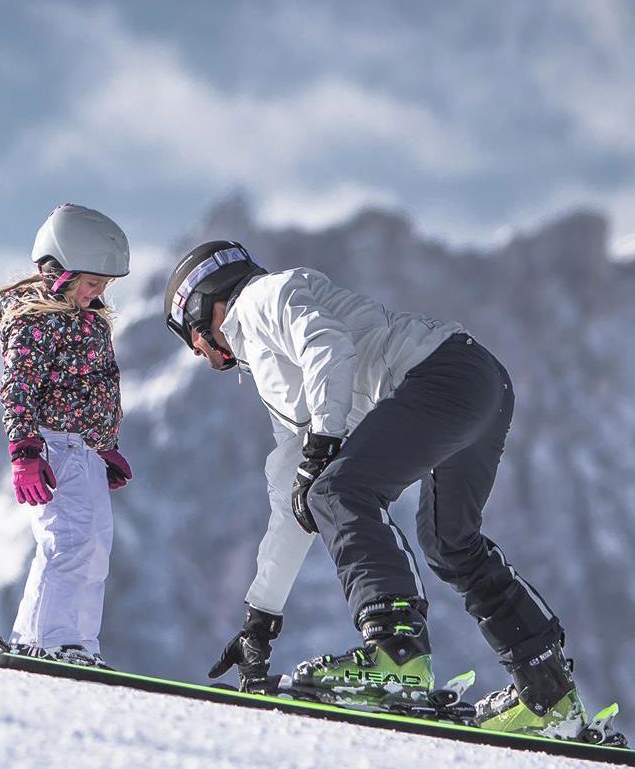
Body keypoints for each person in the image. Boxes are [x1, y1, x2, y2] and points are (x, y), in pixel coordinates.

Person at [169, 239, 585, 738]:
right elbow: (292, 500)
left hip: (442, 375)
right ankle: (548, 693)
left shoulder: (262, 299)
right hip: (477, 381)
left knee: (337, 490)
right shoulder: (275, 372)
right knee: (449, 542)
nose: (197, 352)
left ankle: (397, 659)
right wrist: (261, 618)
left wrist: (322, 449)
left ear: (202, 306)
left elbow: (326, 345)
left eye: (189, 336)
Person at [0, 204, 133, 667]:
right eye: (92, 283)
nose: (97, 293)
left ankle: (77, 642)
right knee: (66, 543)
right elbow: (18, 384)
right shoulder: (35, 320)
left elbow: (89, 388)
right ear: (61, 270)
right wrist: (24, 449)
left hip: (82, 449)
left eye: (103, 286)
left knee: (95, 547)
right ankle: (47, 641)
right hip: (54, 446)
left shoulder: (87, 319)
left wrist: (105, 448)